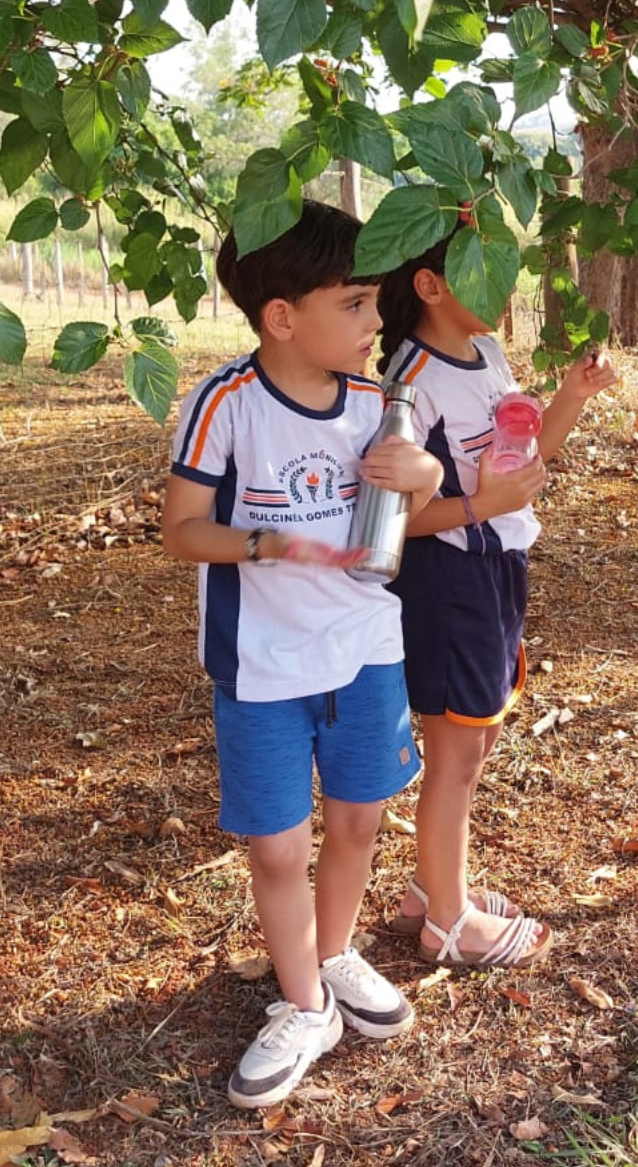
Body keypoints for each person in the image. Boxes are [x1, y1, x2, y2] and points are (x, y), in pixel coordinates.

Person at [161, 201, 444, 1108]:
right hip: (264, 666)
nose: (375, 323)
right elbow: (181, 531)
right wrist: (263, 545)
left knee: (357, 821)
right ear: (282, 316)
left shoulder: (375, 404)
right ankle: (304, 1003)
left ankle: (334, 953)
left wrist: (427, 475)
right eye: (358, 304)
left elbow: (417, 488)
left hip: (365, 654)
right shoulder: (226, 405)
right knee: (279, 847)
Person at [373, 229, 618, 968]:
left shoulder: (484, 354)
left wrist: (572, 396)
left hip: (499, 567)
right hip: (451, 579)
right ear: (429, 286)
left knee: (479, 737)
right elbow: (397, 519)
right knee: (455, 751)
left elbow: (525, 453)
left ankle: (431, 890)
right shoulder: (409, 380)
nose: (504, 292)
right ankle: (447, 923)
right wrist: (484, 507)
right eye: (484, 275)